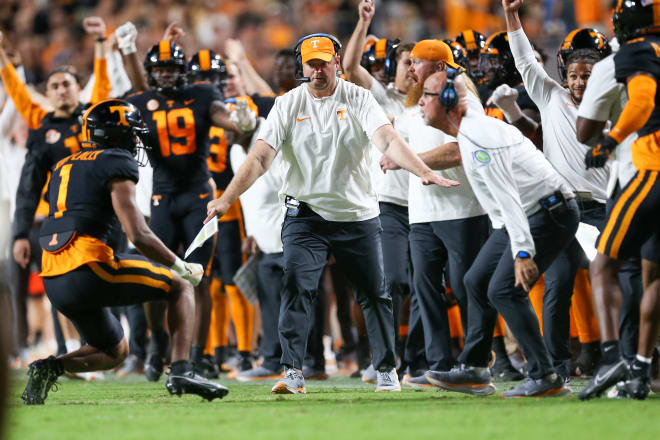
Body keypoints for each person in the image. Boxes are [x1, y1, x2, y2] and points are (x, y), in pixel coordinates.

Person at [205, 32, 459, 394]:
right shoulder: (288, 104)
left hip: (356, 213)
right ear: (303, 66)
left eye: (325, 61)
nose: (319, 69)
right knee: (296, 287)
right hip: (305, 214)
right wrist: (226, 199)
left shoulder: (359, 98)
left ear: (337, 61)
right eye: (312, 63)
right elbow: (260, 157)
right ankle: (292, 372)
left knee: (374, 293)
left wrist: (422, 170)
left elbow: (387, 140)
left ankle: (386, 368)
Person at [21, 99, 228, 404]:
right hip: (89, 266)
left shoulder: (64, 163)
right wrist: (180, 265)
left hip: (54, 275)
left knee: (113, 351)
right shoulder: (116, 161)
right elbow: (138, 234)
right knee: (180, 284)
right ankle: (182, 369)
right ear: (116, 135)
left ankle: (48, 368)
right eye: (131, 133)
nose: (136, 139)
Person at [421, 70, 578, 397]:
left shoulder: (478, 136)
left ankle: (545, 374)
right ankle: (476, 368)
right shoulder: (470, 129)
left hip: (548, 213)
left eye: (427, 95)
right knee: (474, 280)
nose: (420, 102)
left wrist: (522, 253)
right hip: (527, 214)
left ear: (449, 101)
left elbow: (508, 196)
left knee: (504, 290)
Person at [120, 33, 254, 380]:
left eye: (171, 68)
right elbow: (138, 92)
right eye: (159, 69)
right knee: (156, 279)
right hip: (162, 198)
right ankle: (157, 345)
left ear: (182, 70)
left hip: (197, 195)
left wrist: (239, 122)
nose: (165, 74)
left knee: (198, 278)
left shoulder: (202, 94)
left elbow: (224, 117)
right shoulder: (143, 99)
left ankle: (199, 353)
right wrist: (129, 50)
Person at [503, 0, 612, 381]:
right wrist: (512, 15)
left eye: (589, 76)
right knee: (560, 282)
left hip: (602, 208)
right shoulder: (551, 96)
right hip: (562, 210)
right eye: (576, 75)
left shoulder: (615, 103)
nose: (581, 82)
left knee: (616, 277)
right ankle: (554, 366)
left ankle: (620, 355)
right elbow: (523, 60)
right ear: (565, 74)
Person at [0, 19, 112, 359]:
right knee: (60, 288)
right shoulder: (42, 126)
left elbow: (104, 87)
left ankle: (115, 348)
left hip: (100, 219)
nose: (62, 90)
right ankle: (67, 350)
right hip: (59, 221)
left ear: (78, 89)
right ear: (48, 95)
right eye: (56, 86)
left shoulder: (93, 118)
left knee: (103, 283)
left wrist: (101, 43)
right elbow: (19, 95)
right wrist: (5, 62)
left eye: (67, 84)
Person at [579, 0, 660, 400]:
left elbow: (642, 100)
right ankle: (642, 370)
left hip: (652, 169)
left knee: (603, 265)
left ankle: (612, 356)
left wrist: (610, 140)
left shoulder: (637, 52)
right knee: (655, 276)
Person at [342, 0, 417, 381]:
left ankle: (420, 359)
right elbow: (351, 67)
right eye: (407, 62)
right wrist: (362, 22)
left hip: (427, 205)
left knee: (428, 288)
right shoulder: (382, 98)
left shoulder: (432, 105)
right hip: (388, 204)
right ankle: (389, 356)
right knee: (395, 282)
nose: (413, 68)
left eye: (417, 63)